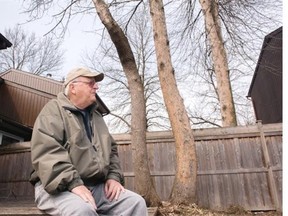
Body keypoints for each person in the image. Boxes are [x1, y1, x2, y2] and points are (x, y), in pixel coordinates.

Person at [29, 68, 148, 216]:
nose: (96, 87)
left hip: (94, 186)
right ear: (73, 88)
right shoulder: (53, 111)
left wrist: (113, 177)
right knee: (83, 210)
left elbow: (111, 151)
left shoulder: (96, 117)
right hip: (57, 187)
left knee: (135, 203)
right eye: (91, 83)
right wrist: (74, 184)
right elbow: (47, 153)